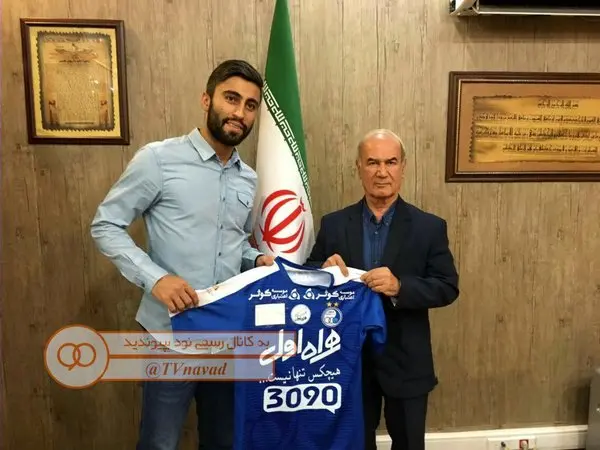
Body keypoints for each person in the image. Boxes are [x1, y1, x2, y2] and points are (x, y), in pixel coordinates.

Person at [90, 59, 274, 450]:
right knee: (160, 442)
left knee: (224, 441)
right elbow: (105, 225)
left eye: (250, 105)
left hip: (228, 337)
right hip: (169, 336)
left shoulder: (248, 177)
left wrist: (256, 259)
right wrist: (156, 279)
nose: (240, 112)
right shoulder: (158, 159)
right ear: (207, 100)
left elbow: (234, 242)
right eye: (231, 98)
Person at [305, 129, 459, 450]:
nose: (382, 172)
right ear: (358, 167)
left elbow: (447, 287)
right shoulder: (334, 224)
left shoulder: (429, 227)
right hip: (348, 360)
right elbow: (309, 274)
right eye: (373, 162)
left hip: (407, 360)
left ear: (403, 166)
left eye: (391, 162)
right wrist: (323, 271)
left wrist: (400, 286)